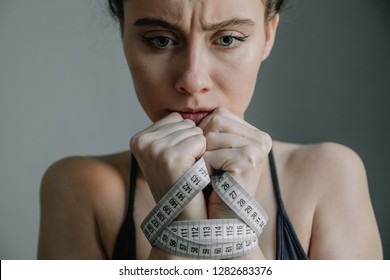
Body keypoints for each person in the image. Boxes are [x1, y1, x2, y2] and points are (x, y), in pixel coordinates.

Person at [37, 0, 382, 260]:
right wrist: (179, 213)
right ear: (124, 36)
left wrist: (235, 228)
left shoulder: (329, 176)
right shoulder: (79, 187)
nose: (193, 80)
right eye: (159, 40)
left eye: (229, 39)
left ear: (267, 36)